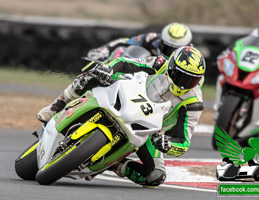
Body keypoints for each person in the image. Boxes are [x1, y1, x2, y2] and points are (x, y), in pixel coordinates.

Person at [37, 46, 205, 187]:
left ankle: (114, 165)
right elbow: (125, 63)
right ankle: (58, 104)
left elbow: (183, 142)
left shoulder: (193, 103)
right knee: (94, 73)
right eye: (181, 76)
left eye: (192, 80)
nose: (184, 83)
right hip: (128, 92)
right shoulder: (161, 63)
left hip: (149, 129)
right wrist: (108, 68)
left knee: (155, 176)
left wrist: (166, 143)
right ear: (171, 67)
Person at [86, 22, 193, 61]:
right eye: (167, 47)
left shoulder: (192, 57)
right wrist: (105, 49)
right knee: (122, 50)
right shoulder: (151, 39)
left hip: (162, 85)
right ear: (161, 41)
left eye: (174, 49)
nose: (169, 52)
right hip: (141, 72)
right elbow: (125, 42)